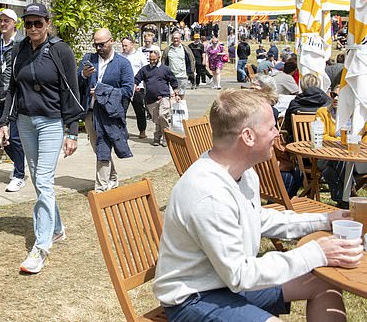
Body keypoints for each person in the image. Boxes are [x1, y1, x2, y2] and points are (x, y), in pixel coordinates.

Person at [153, 89, 364, 322]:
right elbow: (240, 274)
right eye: (272, 127)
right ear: (248, 136)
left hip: (227, 283)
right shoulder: (208, 194)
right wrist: (317, 253)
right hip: (194, 298)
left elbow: (260, 218)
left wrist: (326, 220)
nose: (278, 133)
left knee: (323, 284)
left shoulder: (243, 173)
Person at [0, 2, 83, 274]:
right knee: (37, 178)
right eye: (29, 23)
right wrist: (5, 122)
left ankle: (41, 247)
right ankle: (57, 229)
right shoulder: (19, 50)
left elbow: (72, 91)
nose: (33, 28)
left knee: (44, 180)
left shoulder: (61, 51)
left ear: (48, 23)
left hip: (51, 123)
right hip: (24, 121)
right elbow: (13, 89)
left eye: (38, 23)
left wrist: (72, 130)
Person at [79, 29, 134, 192]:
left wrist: (103, 92)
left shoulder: (122, 64)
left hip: (109, 113)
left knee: (103, 146)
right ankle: (113, 177)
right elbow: (75, 83)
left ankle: (101, 188)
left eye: (101, 44)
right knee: (98, 147)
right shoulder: (88, 59)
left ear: (111, 41)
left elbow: (128, 90)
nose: (98, 48)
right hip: (90, 113)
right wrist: (82, 74)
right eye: (95, 44)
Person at [0, 8, 26, 192]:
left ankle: (19, 175)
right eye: (0, 21)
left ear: (14, 24)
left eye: (6, 21)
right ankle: (19, 164)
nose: (2, 24)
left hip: (14, 98)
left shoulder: (20, 43)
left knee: (15, 138)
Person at [315, 87, 367, 207]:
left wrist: (359, 142)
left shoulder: (358, 117)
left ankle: (343, 201)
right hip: (325, 156)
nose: (336, 98)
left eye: (340, 96)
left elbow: (364, 135)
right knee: (339, 160)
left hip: (354, 159)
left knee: (330, 170)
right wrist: (343, 141)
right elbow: (323, 136)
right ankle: (352, 192)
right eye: (333, 95)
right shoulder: (323, 113)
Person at [134, 49, 180, 147]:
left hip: (164, 97)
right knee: (157, 119)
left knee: (162, 115)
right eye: (150, 60)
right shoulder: (144, 69)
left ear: (158, 58)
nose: (152, 61)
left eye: (154, 59)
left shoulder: (165, 69)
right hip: (151, 99)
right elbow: (137, 78)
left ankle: (166, 137)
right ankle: (157, 137)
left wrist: (176, 92)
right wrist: (134, 86)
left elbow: (173, 81)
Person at [283, 74, 330, 143]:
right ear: (319, 85)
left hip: (298, 143)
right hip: (324, 142)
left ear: (302, 86)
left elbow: (288, 126)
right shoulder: (328, 103)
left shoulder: (295, 103)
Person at [121, 36, 149, 138]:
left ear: (132, 44)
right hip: (124, 88)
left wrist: (142, 85)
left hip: (137, 87)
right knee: (122, 110)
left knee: (140, 111)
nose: (124, 48)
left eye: (126, 45)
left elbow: (146, 71)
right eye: (123, 46)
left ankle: (142, 130)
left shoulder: (140, 56)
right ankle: (123, 131)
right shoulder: (120, 56)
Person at [162, 31, 195, 98]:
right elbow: (164, 62)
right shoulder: (167, 50)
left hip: (182, 76)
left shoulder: (185, 49)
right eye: (174, 38)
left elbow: (191, 60)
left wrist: (191, 72)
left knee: (181, 95)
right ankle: (173, 108)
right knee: (171, 95)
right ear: (172, 39)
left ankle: (180, 108)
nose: (175, 40)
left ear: (180, 39)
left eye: (177, 38)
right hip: (171, 76)